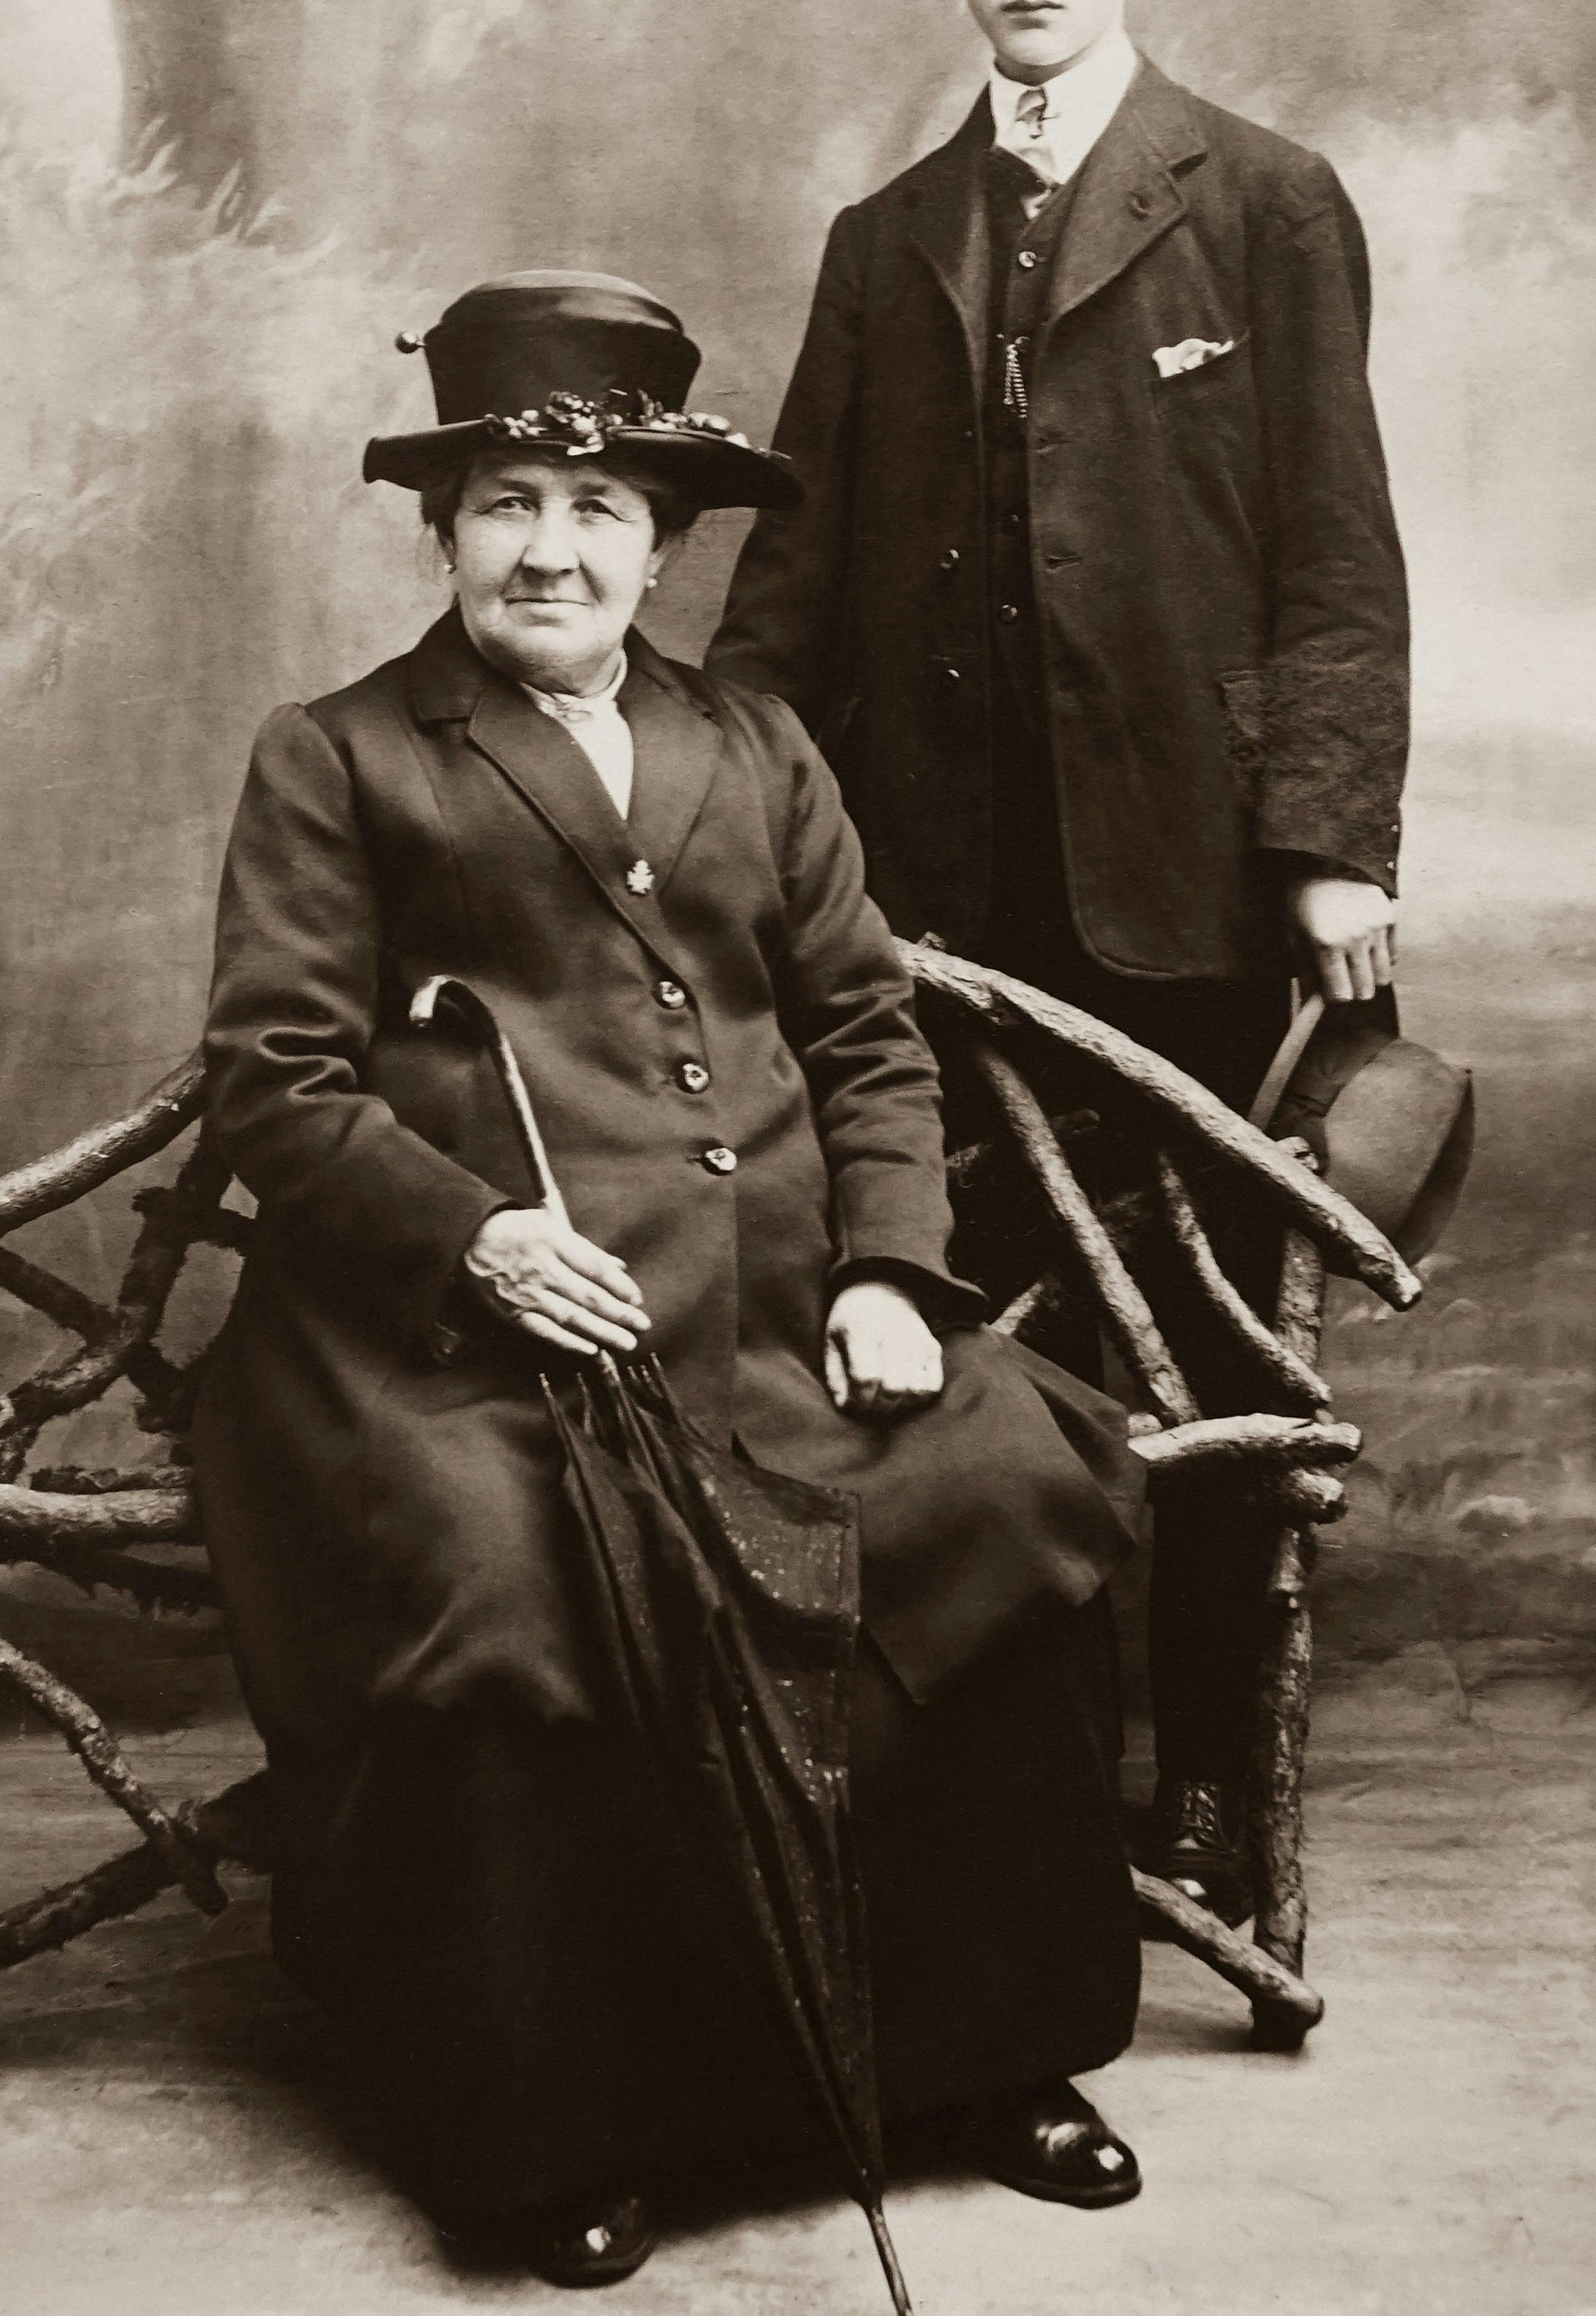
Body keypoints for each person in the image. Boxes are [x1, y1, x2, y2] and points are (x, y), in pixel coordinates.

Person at [192, 271, 1151, 2288]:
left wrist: (892, 1267)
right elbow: (274, 1083)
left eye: (600, 509)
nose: (553, 548)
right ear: (444, 530)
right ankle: (564, 2130)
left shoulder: (758, 744)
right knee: (510, 1590)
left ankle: (983, 2063)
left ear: (666, 539)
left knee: (1007, 1498)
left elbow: (870, 1037)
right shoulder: (343, 755)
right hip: (452, 1342)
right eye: (510, 508)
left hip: (780, 1314)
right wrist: (478, 1237)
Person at [706, 0, 1412, 1924]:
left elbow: (1335, 562)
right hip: (932, 906)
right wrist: (738, 835)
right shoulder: (883, 240)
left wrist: (1325, 843)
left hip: (1188, 894)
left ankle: (1200, 1787)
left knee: (1195, 1346)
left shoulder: (1265, 200)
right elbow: (791, 597)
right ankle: (987, 1789)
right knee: (954, 1335)